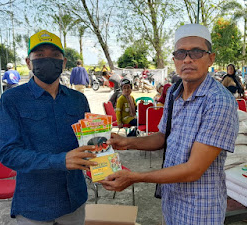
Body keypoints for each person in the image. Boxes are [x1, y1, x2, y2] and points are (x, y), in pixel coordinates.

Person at [99, 24, 238, 224]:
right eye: (181, 53)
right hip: (171, 200)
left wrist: (135, 177)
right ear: (174, 60)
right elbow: (163, 136)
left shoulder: (219, 102)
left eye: (196, 52)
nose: (187, 59)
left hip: (200, 208)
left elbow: (193, 169)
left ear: (211, 58)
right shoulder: (174, 92)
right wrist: (125, 142)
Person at [0, 30, 97, 225]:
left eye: (54, 55)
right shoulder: (12, 100)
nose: (47, 60)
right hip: (34, 204)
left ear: (64, 62)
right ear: (28, 62)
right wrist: (60, 160)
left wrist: (104, 155)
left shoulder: (78, 100)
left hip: (74, 200)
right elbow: (8, 153)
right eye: (40, 55)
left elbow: (89, 142)